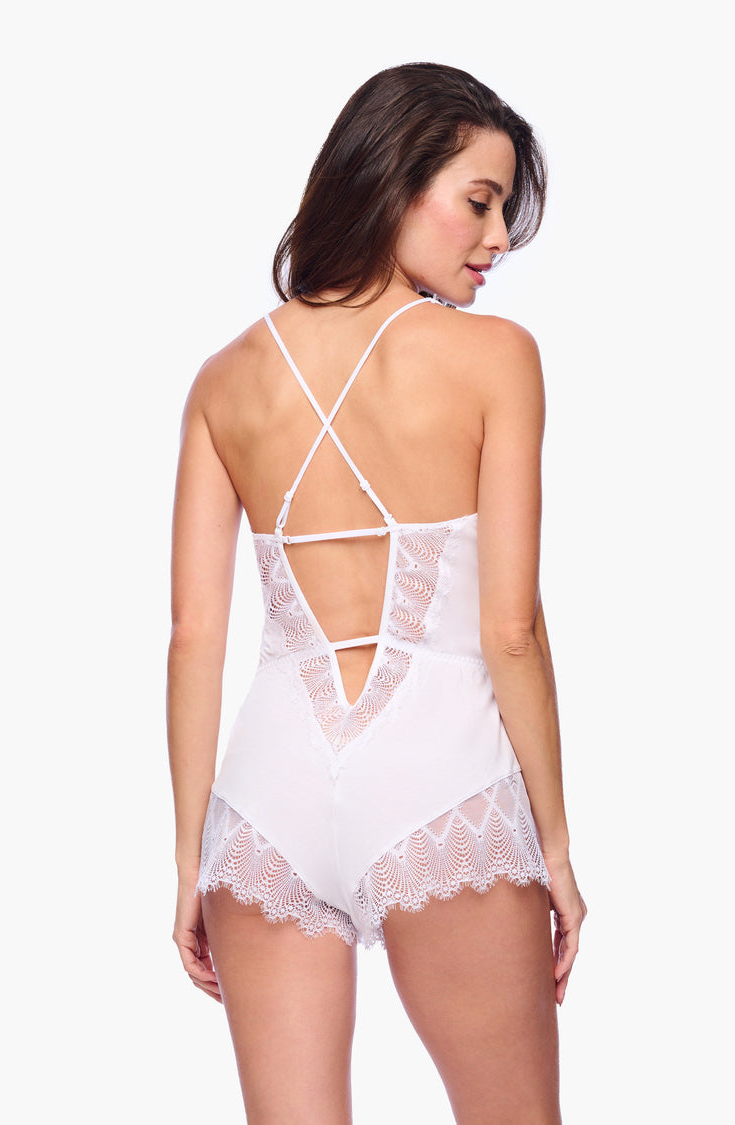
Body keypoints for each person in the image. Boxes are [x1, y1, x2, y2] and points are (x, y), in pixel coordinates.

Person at [168, 61, 586, 1124]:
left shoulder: (224, 378)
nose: (498, 239)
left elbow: (194, 635)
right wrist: (556, 848)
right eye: (479, 202)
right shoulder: (496, 358)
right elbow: (512, 629)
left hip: (263, 802)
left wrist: (188, 860)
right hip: (442, 777)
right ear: (395, 179)